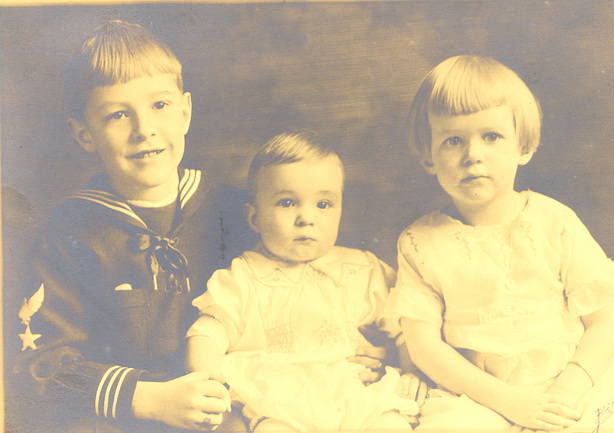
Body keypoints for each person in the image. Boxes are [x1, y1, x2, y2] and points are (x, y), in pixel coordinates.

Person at [12, 20, 256, 433]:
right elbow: (38, 367)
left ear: (185, 112)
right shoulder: (69, 232)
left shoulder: (232, 210)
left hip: (231, 405)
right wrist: (148, 399)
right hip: (127, 418)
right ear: (84, 134)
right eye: (118, 115)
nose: (145, 130)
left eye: (159, 106)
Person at [388, 55, 614, 432]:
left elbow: (604, 324)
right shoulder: (419, 243)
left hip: (570, 380)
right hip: (477, 394)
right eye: (453, 140)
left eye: (491, 136)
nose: (473, 154)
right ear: (429, 157)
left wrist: (564, 396)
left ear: (523, 146)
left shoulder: (554, 222)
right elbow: (425, 346)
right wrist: (507, 401)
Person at [185, 132, 424, 432]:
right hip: (280, 401)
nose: (306, 217)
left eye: (323, 204)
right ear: (254, 218)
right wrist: (207, 380)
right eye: (287, 203)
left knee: (391, 424)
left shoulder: (362, 268)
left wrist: (412, 370)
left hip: (356, 392)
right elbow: (210, 330)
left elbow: (408, 326)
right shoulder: (244, 276)